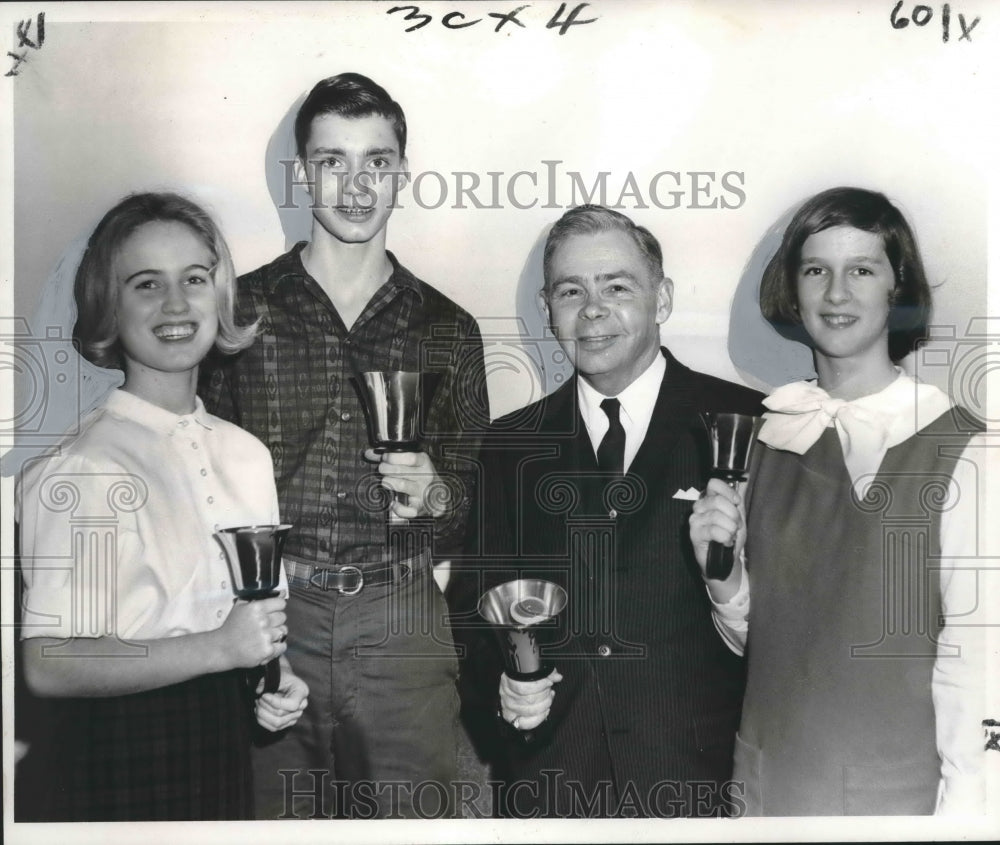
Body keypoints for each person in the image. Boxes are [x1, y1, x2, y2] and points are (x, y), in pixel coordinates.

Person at [199, 72, 489, 820]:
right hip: (271, 613)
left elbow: (468, 508)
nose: (357, 186)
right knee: (271, 824)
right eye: (334, 161)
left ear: (402, 174)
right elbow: (199, 483)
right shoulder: (241, 315)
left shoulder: (449, 328)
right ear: (303, 175)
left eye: (377, 162)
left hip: (402, 616)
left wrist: (437, 494)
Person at [455, 204, 764, 818]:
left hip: (699, 787)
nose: (592, 310)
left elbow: (786, 629)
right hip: (549, 787)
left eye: (616, 287)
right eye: (571, 291)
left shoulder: (750, 424)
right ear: (549, 308)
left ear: (663, 298)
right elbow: (476, 610)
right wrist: (504, 688)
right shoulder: (508, 444)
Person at [690, 186, 991, 815]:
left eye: (862, 269)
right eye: (816, 270)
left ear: (895, 289)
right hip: (767, 789)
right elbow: (759, 641)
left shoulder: (967, 451)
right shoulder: (767, 438)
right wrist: (724, 577)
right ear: (793, 291)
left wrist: (970, 816)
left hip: (898, 803)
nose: (836, 293)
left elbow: (982, 664)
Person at [16, 192, 309, 821]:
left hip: (225, 746)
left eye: (195, 279)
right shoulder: (86, 466)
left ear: (221, 294)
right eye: (146, 284)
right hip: (114, 754)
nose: (176, 304)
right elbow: (49, 664)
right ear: (107, 306)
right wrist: (220, 650)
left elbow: (251, 630)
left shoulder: (246, 455)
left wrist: (273, 681)